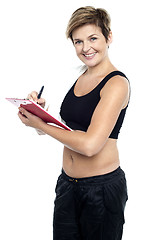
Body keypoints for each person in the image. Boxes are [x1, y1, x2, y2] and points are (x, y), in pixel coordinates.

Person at [18, 6, 130, 240]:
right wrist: (39, 114)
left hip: (101, 189)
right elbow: (68, 131)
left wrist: (41, 126)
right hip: (67, 185)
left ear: (109, 37)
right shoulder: (80, 76)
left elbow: (90, 145)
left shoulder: (116, 83)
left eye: (93, 38)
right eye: (78, 42)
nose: (86, 48)